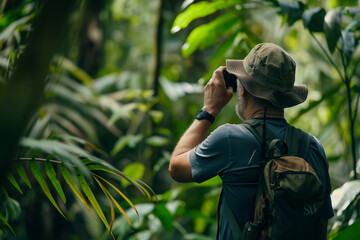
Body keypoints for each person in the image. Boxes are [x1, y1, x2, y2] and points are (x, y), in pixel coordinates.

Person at [169, 43, 334, 239]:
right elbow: (321, 223)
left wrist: (209, 110)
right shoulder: (313, 147)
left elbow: (176, 168)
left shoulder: (230, 139)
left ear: (243, 89)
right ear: (285, 97)